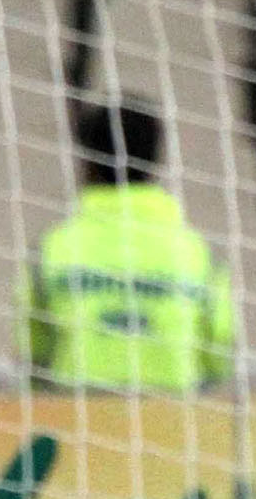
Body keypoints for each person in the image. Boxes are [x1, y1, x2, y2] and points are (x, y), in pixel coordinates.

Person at [26, 103, 234, 390]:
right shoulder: (196, 253)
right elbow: (219, 354)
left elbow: (33, 351)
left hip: (76, 409)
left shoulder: (52, 249)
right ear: (155, 161)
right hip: (173, 411)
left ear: (87, 162)